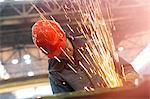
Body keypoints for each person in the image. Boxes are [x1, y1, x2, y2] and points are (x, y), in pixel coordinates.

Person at [32, 19, 139, 94]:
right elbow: (63, 97)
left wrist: (128, 82)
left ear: (64, 36)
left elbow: (127, 68)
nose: (65, 53)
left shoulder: (93, 47)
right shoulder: (56, 72)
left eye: (64, 48)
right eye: (59, 53)